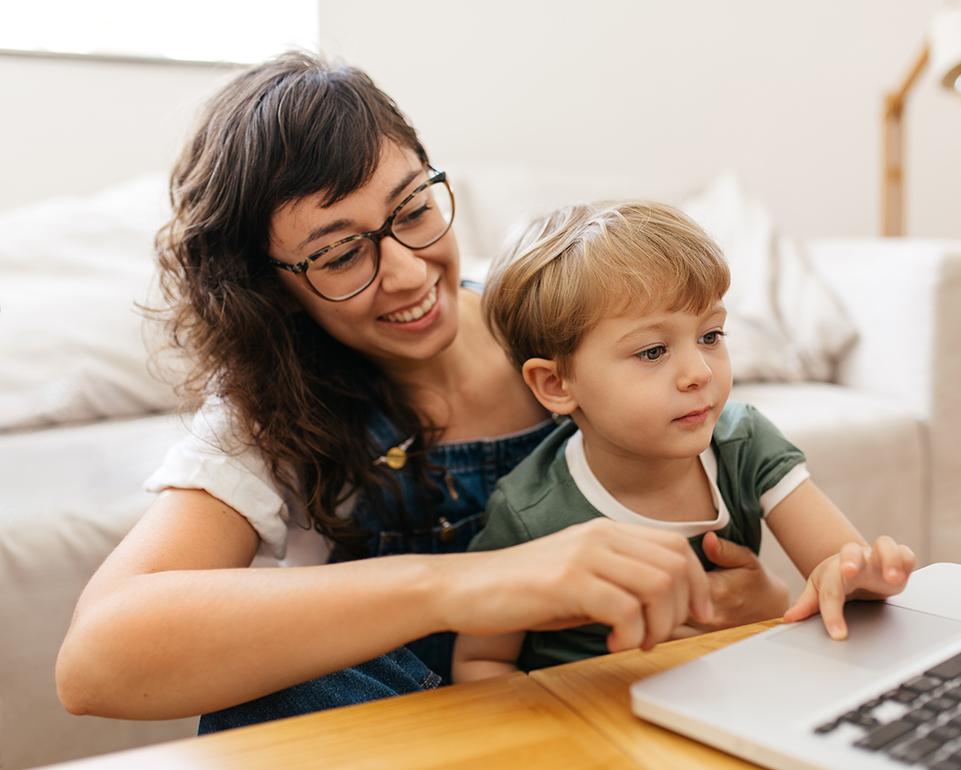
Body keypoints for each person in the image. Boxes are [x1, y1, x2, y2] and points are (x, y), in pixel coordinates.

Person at [54, 53, 792, 733]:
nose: (408, 273)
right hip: (417, 727)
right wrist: (467, 584)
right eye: (340, 254)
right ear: (268, 290)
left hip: (600, 706)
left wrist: (753, 611)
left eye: (412, 210)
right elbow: (95, 661)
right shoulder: (268, 416)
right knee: (272, 693)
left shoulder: (563, 339)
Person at [452, 202, 917, 681]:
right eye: (653, 351)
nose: (699, 372)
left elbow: (838, 564)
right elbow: (482, 660)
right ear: (556, 385)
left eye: (711, 335)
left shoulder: (744, 441)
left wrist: (858, 577)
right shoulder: (529, 512)